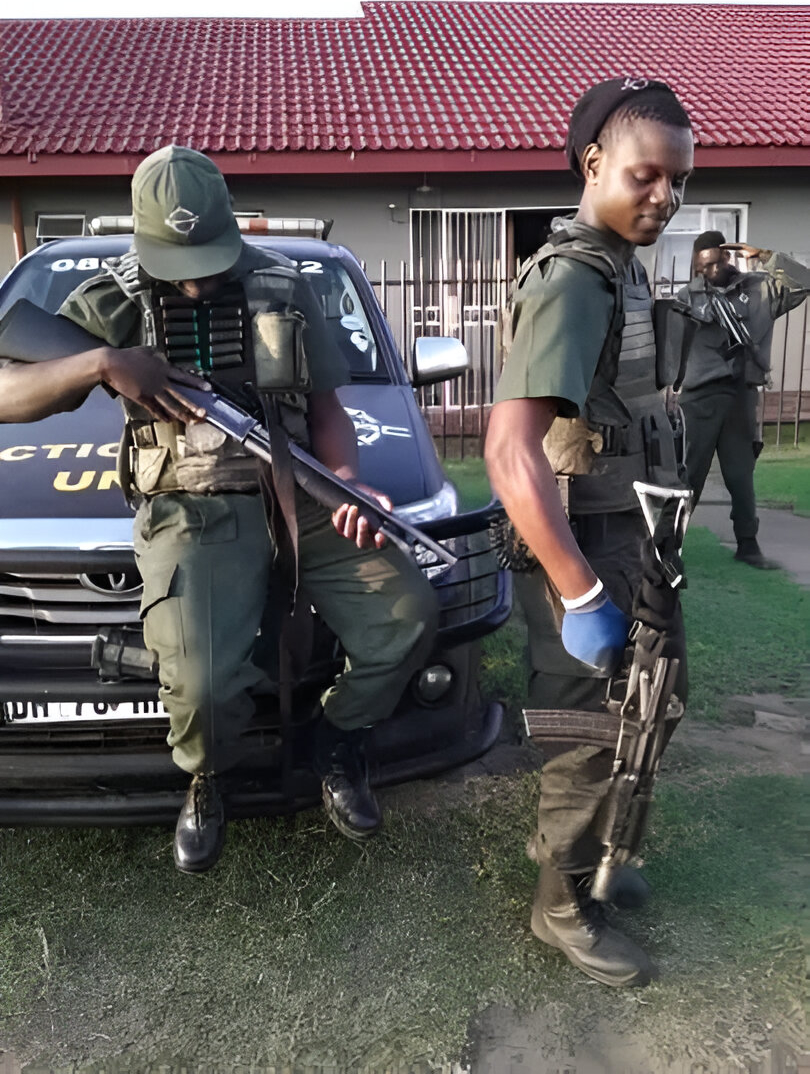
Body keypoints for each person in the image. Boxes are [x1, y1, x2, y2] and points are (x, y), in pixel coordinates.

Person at [0, 145, 437, 873]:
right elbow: (9, 395)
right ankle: (209, 778)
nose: (197, 281)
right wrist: (101, 363)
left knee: (408, 613)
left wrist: (348, 485)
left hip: (299, 492)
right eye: (179, 263)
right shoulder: (111, 299)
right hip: (189, 506)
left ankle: (340, 738)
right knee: (201, 688)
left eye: (208, 255)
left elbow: (327, 407)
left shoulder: (284, 286)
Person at [485, 78, 694, 987]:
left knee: (647, 707)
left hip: (634, 523)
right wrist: (579, 591)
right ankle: (561, 903)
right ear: (593, 163)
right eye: (647, 176)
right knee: (591, 727)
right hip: (586, 537)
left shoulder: (621, 260)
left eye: (680, 182)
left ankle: (601, 858)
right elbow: (507, 448)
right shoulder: (574, 276)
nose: (666, 197)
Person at [676, 230, 810, 567]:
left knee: (740, 475)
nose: (707, 272)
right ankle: (668, 547)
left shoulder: (760, 289)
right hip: (699, 398)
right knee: (688, 474)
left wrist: (764, 255)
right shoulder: (687, 297)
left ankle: (748, 545)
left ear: (727, 257)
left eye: (713, 263)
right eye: (701, 267)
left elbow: (804, 280)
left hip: (741, 396)